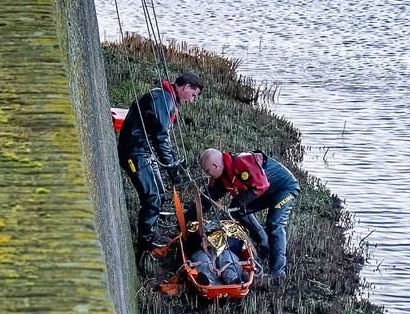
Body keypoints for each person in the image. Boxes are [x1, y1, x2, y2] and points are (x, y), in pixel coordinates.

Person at [116, 73, 203, 256]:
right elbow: (161, 139)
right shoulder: (163, 100)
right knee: (152, 197)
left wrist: (176, 164)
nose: (193, 100)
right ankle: (144, 246)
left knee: (160, 194)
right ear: (186, 88)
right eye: (194, 95)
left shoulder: (165, 98)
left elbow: (162, 138)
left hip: (143, 152)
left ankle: (149, 233)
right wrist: (172, 169)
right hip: (133, 153)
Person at [194, 148, 299, 281]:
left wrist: (240, 201)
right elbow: (208, 198)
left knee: (275, 224)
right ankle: (264, 242)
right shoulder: (222, 174)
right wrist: (190, 216)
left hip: (285, 189)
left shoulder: (242, 162)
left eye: (208, 171)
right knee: (237, 210)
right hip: (266, 191)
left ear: (215, 166)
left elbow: (261, 185)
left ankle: (278, 272)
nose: (208, 175)